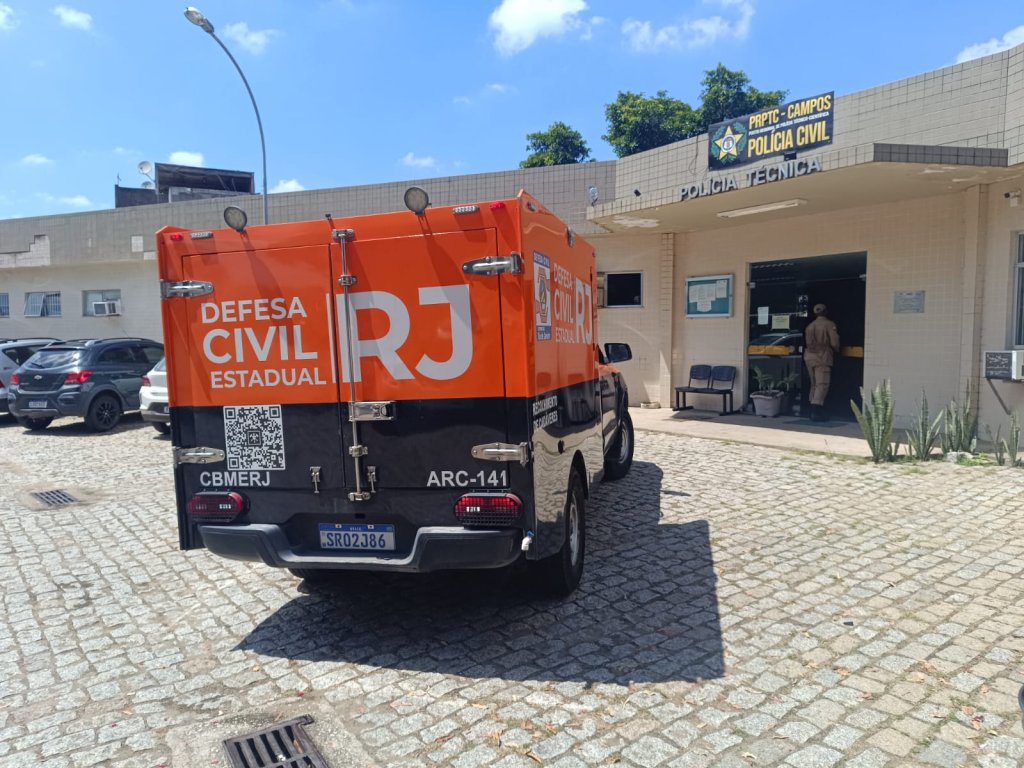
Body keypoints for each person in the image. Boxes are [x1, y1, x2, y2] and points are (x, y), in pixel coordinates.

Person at [803, 303, 840, 421]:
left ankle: (811, 408)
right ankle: (816, 411)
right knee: (822, 384)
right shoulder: (829, 324)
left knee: (813, 384)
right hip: (822, 356)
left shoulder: (809, 326)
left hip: (809, 356)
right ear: (826, 311)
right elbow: (834, 342)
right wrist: (837, 350)